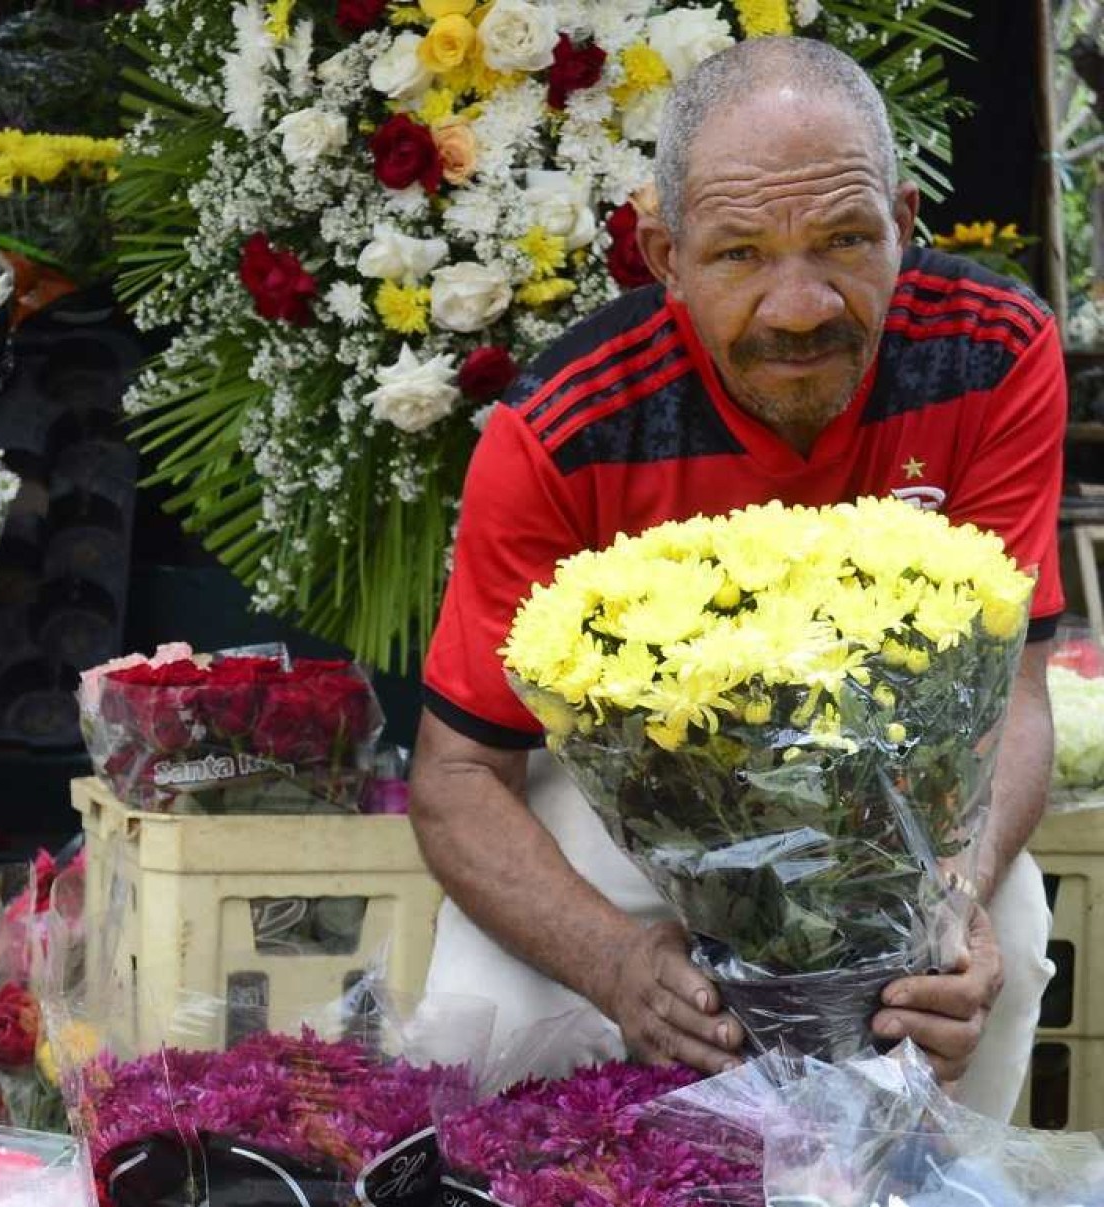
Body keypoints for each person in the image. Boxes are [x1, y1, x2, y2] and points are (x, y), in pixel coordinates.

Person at [411, 34, 1061, 1120]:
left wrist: (953, 895)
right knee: (495, 1006)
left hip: (906, 808)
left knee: (1013, 944)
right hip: (630, 808)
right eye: (739, 254)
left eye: (847, 240)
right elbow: (459, 774)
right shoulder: (562, 427)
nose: (798, 306)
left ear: (905, 224)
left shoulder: (994, 354)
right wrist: (613, 961)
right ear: (664, 254)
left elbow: (1018, 693)